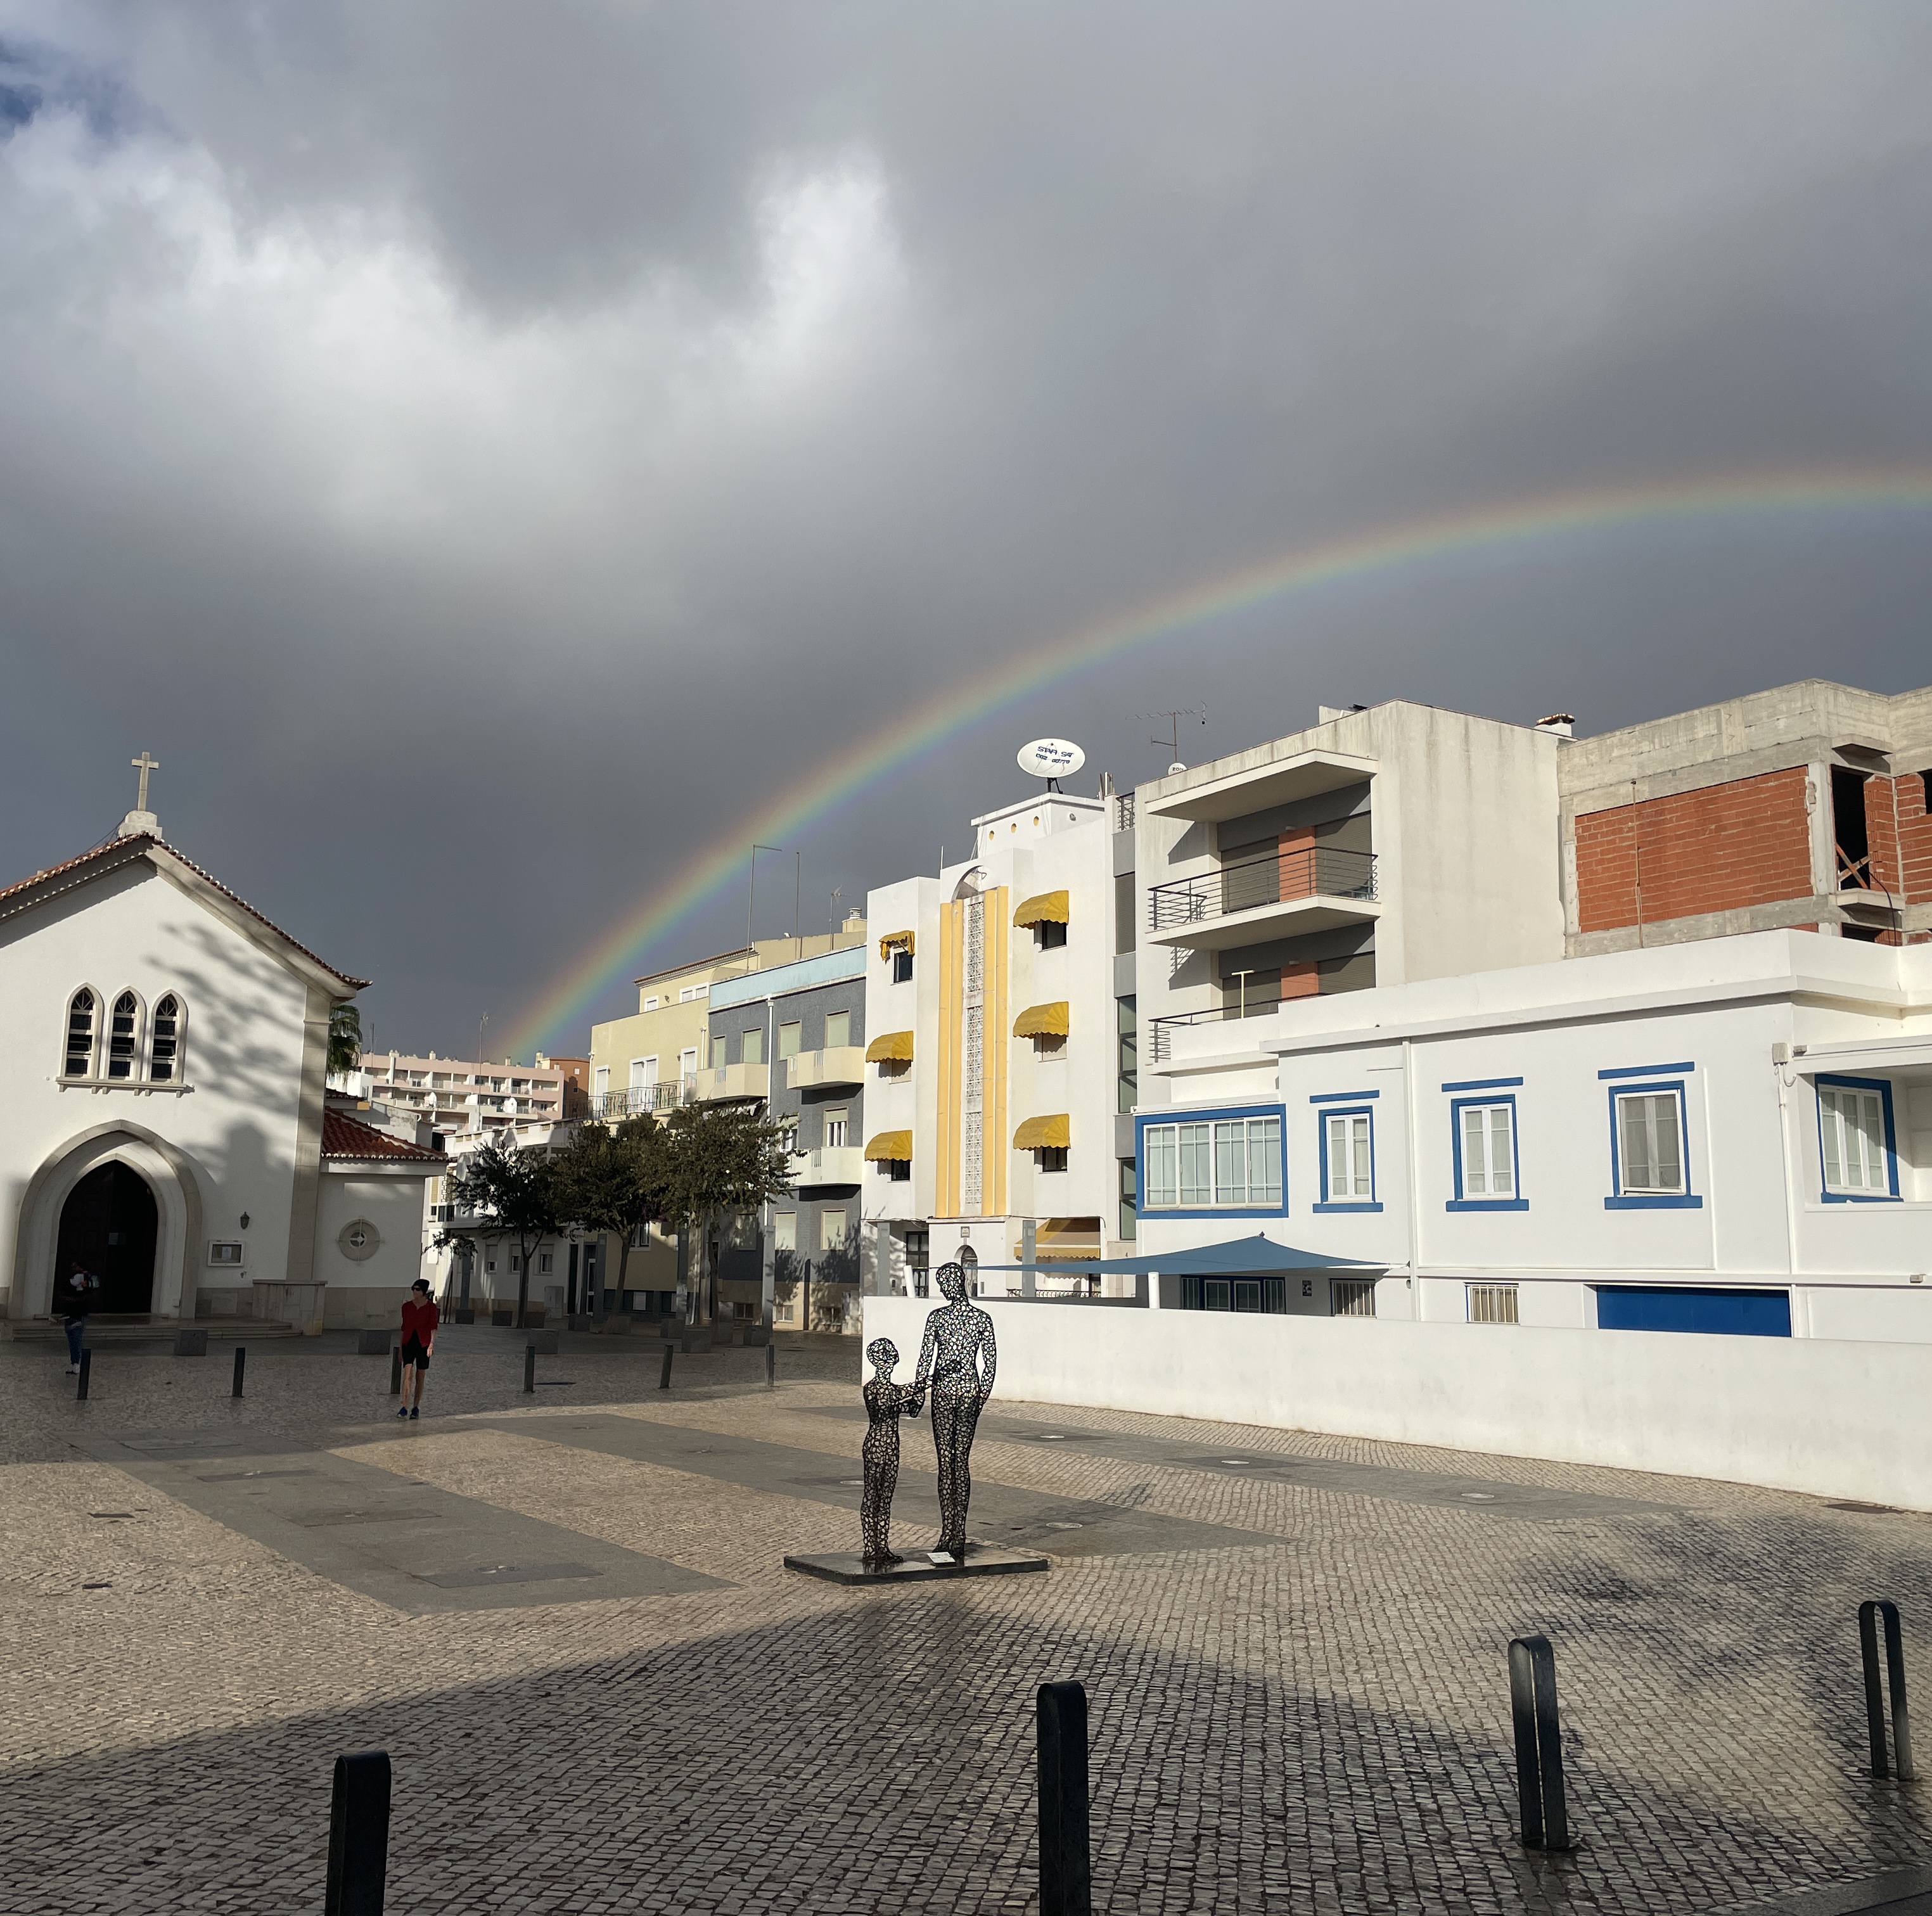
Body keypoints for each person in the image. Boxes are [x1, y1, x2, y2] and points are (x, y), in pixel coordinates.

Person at [912, 1261, 997, 1561]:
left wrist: (916, 1392)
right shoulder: (980, 1319)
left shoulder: (938, 1318)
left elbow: (926, 1362)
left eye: (942, 1283)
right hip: (966, 1394)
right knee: (957, 1462)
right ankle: (954, 1532)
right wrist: (980, 1396)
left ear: (952, 1284)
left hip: (948, 1395)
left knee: (948, 1462)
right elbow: (989, 1365)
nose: (941, 1289)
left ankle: (952, 1531)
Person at [859, 1337, 923, 1569]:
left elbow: (911, 1409)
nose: (887, 1363)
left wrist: (917, 1400)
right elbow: (890, 1403)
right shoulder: (873, 1390)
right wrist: (918, 1386)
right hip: (875, 1448)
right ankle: (870, 1547)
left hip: (891, 1449)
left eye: (889, 1359)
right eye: (883, 1360)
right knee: (871, 1498)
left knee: (885, 1499)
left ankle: (882, 1547)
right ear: (876, 1362)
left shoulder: (894, 1391)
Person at [398, 1277, 438, 1419]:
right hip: (409, 1343)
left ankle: (415, 1407)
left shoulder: (431, 1308)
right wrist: (401, 1348)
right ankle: (404, 1406)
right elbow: (403, 1328)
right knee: (407, 1375)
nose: (414, 1292)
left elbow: (433, 1327)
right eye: (413, 1289)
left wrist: (431, 1344)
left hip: (423, 1344)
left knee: (420, 1376)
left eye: (418, 1289)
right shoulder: (407, 1307)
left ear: (424, 1291)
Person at [57, 1260, 101, 1376]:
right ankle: (74, 1363)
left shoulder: (90, 1280)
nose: (74, 1268)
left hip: (80, 1313)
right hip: (70, 1313)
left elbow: (93, 1294)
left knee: (76, 1338)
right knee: (72, 1339)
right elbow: (62, 1294)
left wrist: (77, 1298)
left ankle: (76, 1364)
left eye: (77, 1266)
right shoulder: (69, 1281)